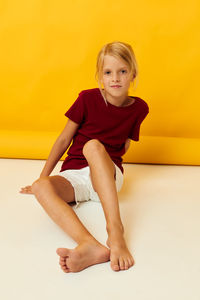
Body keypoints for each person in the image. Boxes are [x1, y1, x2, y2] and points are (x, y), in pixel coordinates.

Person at [20, 41, 149, 273]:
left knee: (93, 147)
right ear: (100, 76)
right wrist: (43, 176)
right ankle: (89, 244)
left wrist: (101, 160)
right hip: (76, 176)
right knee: (41, 187)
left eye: (122, 71)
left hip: (108, 175)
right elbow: (62, 140)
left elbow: (124, 145)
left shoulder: (139, 109)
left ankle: (115, 233)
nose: (115, 78)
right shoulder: (87, 99)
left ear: (133, 74)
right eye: (108, 72)